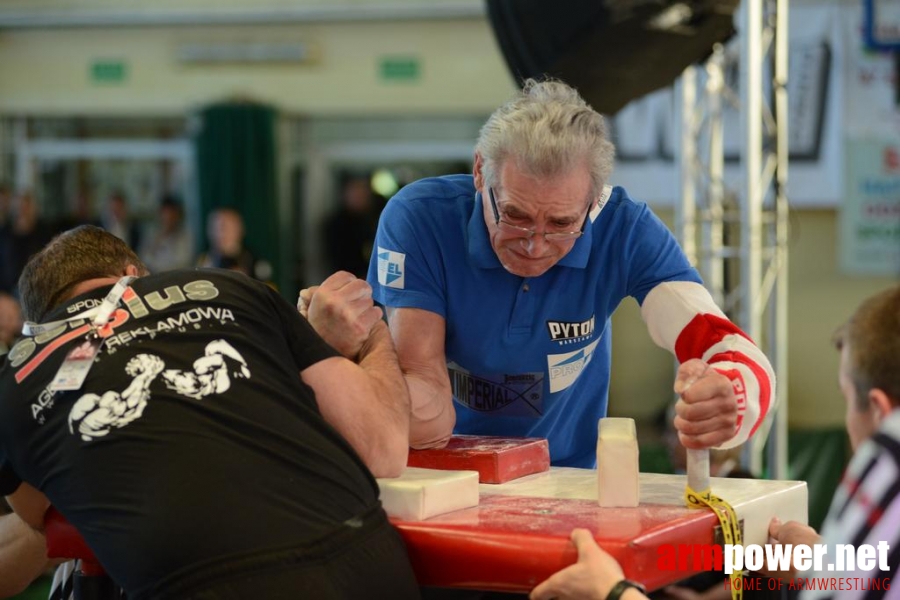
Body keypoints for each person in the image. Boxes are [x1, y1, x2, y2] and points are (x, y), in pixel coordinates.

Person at [301, 78, 774, 468]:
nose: (535, 244)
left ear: (595, 200)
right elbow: (428, 416)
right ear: (480, 172)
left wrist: (730, 397)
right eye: (515, 215)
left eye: (563, 224)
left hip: (567, 483)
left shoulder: (625, 229)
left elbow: (728, 346)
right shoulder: (419, 218)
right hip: (435, 476)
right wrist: (346, 348)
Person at [0, 225, 420, 599]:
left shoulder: (17, 374)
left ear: (39, 323)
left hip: (202, 581)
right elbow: (383, 445)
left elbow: (39, 515)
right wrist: (374, 332)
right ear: (134, 274)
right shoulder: (234, 289)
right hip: (365, 559)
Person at [528, 285, 900, 600]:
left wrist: (615, 592)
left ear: (880, 412)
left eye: (846, 398)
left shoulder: (885, 479)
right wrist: (817, 559)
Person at [322, 174, 381, 278]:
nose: (360, 197)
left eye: (363, 193)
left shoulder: (373, 219)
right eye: (356, 193)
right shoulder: (337, 224)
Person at [196, 207, 269, 280]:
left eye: (224, 228)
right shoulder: (203, 261)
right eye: (213, 228)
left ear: (238, 229)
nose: (218, 234)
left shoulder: (252, 261)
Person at [138, 195, 194, 273]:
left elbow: (184, 262)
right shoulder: (153, 235)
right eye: (165, 214)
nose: (168, 218)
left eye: (172, 214)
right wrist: (157, 242)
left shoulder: (184, 236)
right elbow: (143, 260)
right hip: (155, 278)